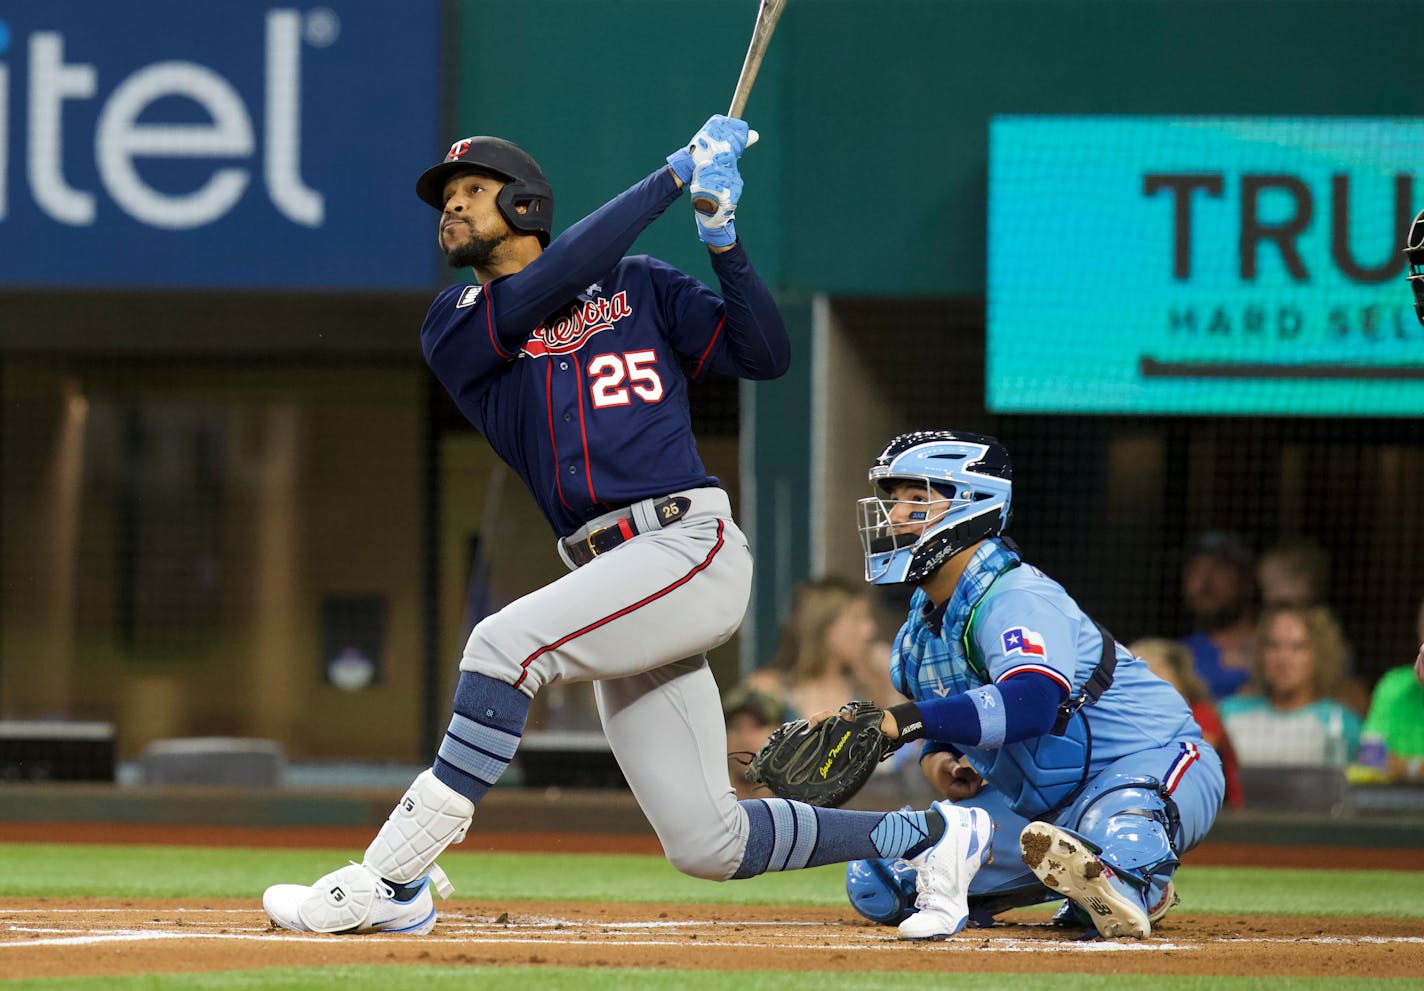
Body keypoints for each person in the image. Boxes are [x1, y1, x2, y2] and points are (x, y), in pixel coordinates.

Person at [261, 121, 1011, 940]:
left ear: (525, 201)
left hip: (686, 545)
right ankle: (936, 836)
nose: (451, 209)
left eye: (470, 192)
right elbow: (549, 283)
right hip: (608, 575)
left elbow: (766, 353)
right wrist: (668, 178)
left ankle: (391, 878)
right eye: (446, 199)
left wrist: (723, 240)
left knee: (504, 646)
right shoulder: (458, 321)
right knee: (707, 840)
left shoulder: (642, 286)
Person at [839, 431, 1225, 939]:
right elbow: (948, 722)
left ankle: (1130, 878)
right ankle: (1082, 879)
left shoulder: (1016, 595)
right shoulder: (919, 633)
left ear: (971, 505)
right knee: (881, 876)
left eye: (917, 500)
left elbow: (1032, 702)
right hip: (1040, 807)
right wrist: (938, 756)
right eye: (893, 501)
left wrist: (906, 724)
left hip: (1151, 760)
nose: (894, 517)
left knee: (1120, 826)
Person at [1219, 604, 1362, 767]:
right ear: (1261, 653)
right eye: (1273, 646)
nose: (1283, 658)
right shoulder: (1229, 715)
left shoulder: (1341, 722)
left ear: (1319, 655)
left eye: (1297, 647)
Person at [744, 576, 896, 717]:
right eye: (857, 618)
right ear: (823, 626)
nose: (870, 630)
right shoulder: (769, 690)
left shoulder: (869, 687)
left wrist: (886, 679)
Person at [1130, 638, 1243, 809]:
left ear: (1179, 679)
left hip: (1220, 818)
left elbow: (1189, 763)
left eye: (1154, 674)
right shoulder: (1130, 725)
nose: (1144, 685)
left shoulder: (1202, 715)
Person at [1179, 530, 1257, 701]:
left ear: (1247, 581)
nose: (1205, 583)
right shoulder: (1180, 656)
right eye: (1195, 570)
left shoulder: (1279, 647)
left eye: (1218, 569)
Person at [1358, 596, 1424, 782]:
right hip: (1397, 805)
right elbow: (1371, 759)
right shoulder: (1392, 685)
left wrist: (1405, 766)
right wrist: (1418, 768)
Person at [721, 683, 789, 800]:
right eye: (736, 727)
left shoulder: (799, 803)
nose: (746, 739)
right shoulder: (705, 803)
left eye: (758, 726)